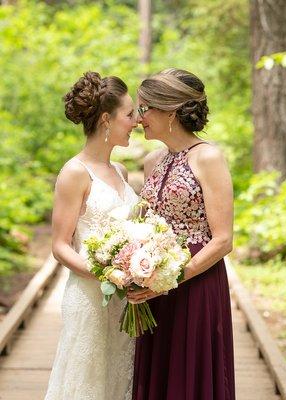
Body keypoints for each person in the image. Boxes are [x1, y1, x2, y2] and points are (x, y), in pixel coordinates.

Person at [127, 68, 235, 400]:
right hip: (153, 283)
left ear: (170, 110)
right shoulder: (151, 161)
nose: (138, 119)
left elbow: (223, 239)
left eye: (145, 109)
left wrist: (172, 277)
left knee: (191, 375)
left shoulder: (209, 157)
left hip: (196, 281)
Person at [45, 71, 138, 400]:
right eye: (129, 114)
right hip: (89, 297)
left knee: (119, 379)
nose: (137, 121)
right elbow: (59, 246)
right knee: (87, 383)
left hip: (126, 301)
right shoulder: (74, 172)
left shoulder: (121, 171)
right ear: (106, 120)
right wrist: (106, 273)